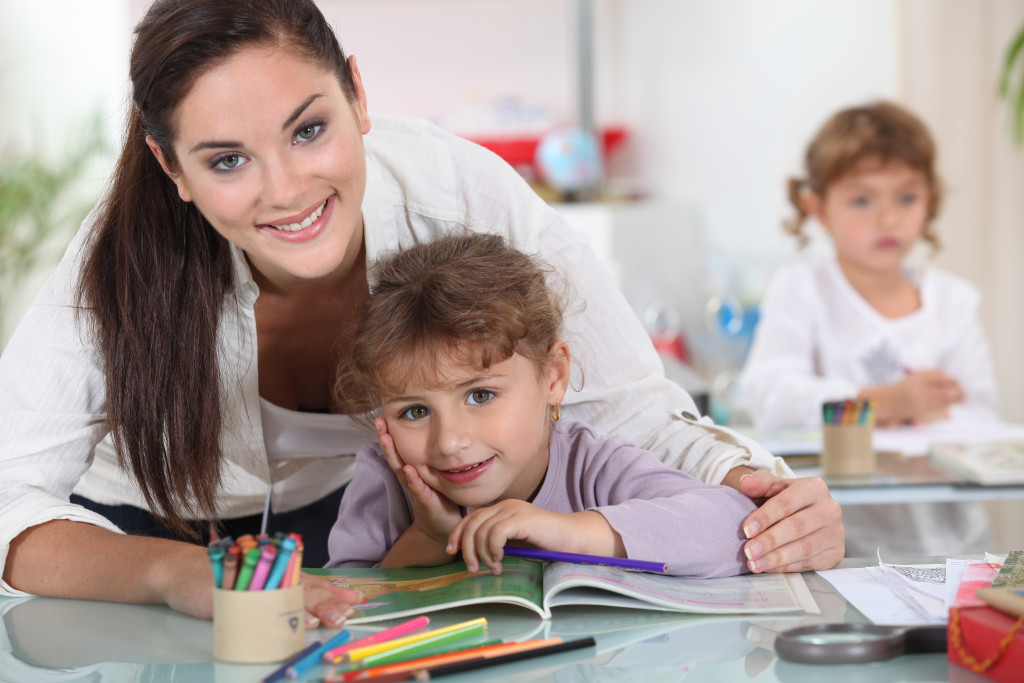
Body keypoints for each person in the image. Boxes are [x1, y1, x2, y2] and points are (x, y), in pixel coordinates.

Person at [0, 0, 842, 625]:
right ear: (169, 165)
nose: (287, 190)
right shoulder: (114, 267)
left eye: (308, 129)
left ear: (359, 95)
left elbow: (625, 408)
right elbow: (9, 500)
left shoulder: (459, 192)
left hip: (355, 529)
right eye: (227, 159)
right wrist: (175, 574)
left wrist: (759, 495)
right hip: (140, 540)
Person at [326, 233, 756, 577]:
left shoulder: (592, 464)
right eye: (415, 412)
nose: (450, 442)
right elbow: (341, 604)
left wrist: (566, 531)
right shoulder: (386, 479)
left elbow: (731, 522)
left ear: (553, 376)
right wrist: (429, 537)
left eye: (480, 395)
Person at [736, 101, 999, 555]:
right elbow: (769, 394)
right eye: (862, 199)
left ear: (929, 200)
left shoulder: (954, 301)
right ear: (818, 208)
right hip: (848, 549)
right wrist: (878, 404)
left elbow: (983, 418)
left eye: (906, 197)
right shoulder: (802, 289)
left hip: (959, 543)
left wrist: (925, 410)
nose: (888, 218)